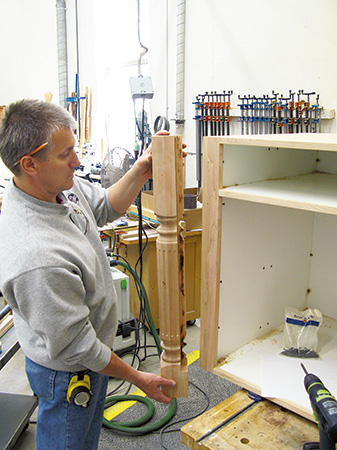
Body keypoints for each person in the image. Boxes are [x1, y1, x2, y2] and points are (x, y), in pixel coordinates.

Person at [0, 99, 176, 450]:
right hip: (67, 374)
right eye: (67, 155)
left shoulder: (56, 187)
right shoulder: (37, 256)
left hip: (91, 360)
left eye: (75, 149)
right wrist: (137, 377)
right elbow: (77, 346)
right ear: (29, 164)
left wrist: (141, 170)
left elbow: (104, 206)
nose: (77, 162)